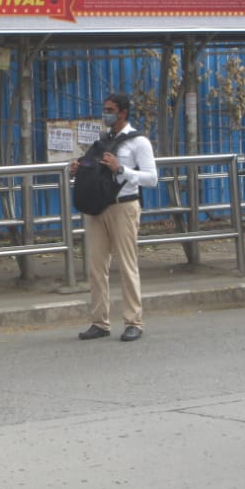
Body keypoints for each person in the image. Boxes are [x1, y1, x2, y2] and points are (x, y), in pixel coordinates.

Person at [69, 93, 158, 342]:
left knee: (127, 265)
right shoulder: (102, 140)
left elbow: (152, 178)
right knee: (96, 267)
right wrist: (79, 168)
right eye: (104, 108)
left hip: (124, 207)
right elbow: (94, 169)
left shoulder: (139, 141)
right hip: (98, 208)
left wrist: (121, 169)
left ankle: (134, 321)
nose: (105, 113)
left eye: (110, 109)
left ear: (123, 112)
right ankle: (100, 322)